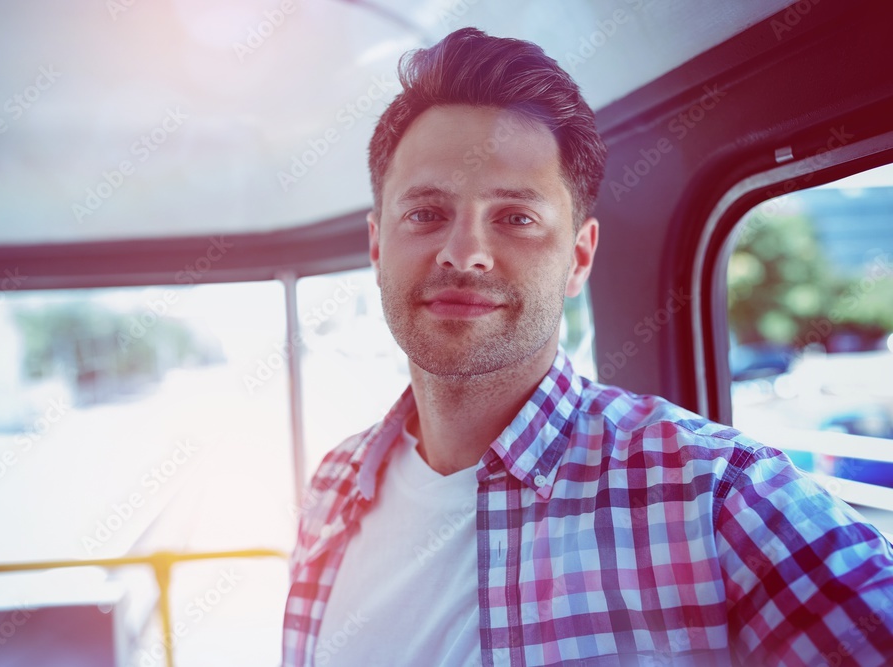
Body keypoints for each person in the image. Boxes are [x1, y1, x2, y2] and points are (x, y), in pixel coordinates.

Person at [281, 27, 893, 666]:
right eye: (426, 213)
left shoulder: (716, 495)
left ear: (578, 257)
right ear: (378, 248)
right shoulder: (331, 487)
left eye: (516, 217)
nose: (464, 252)